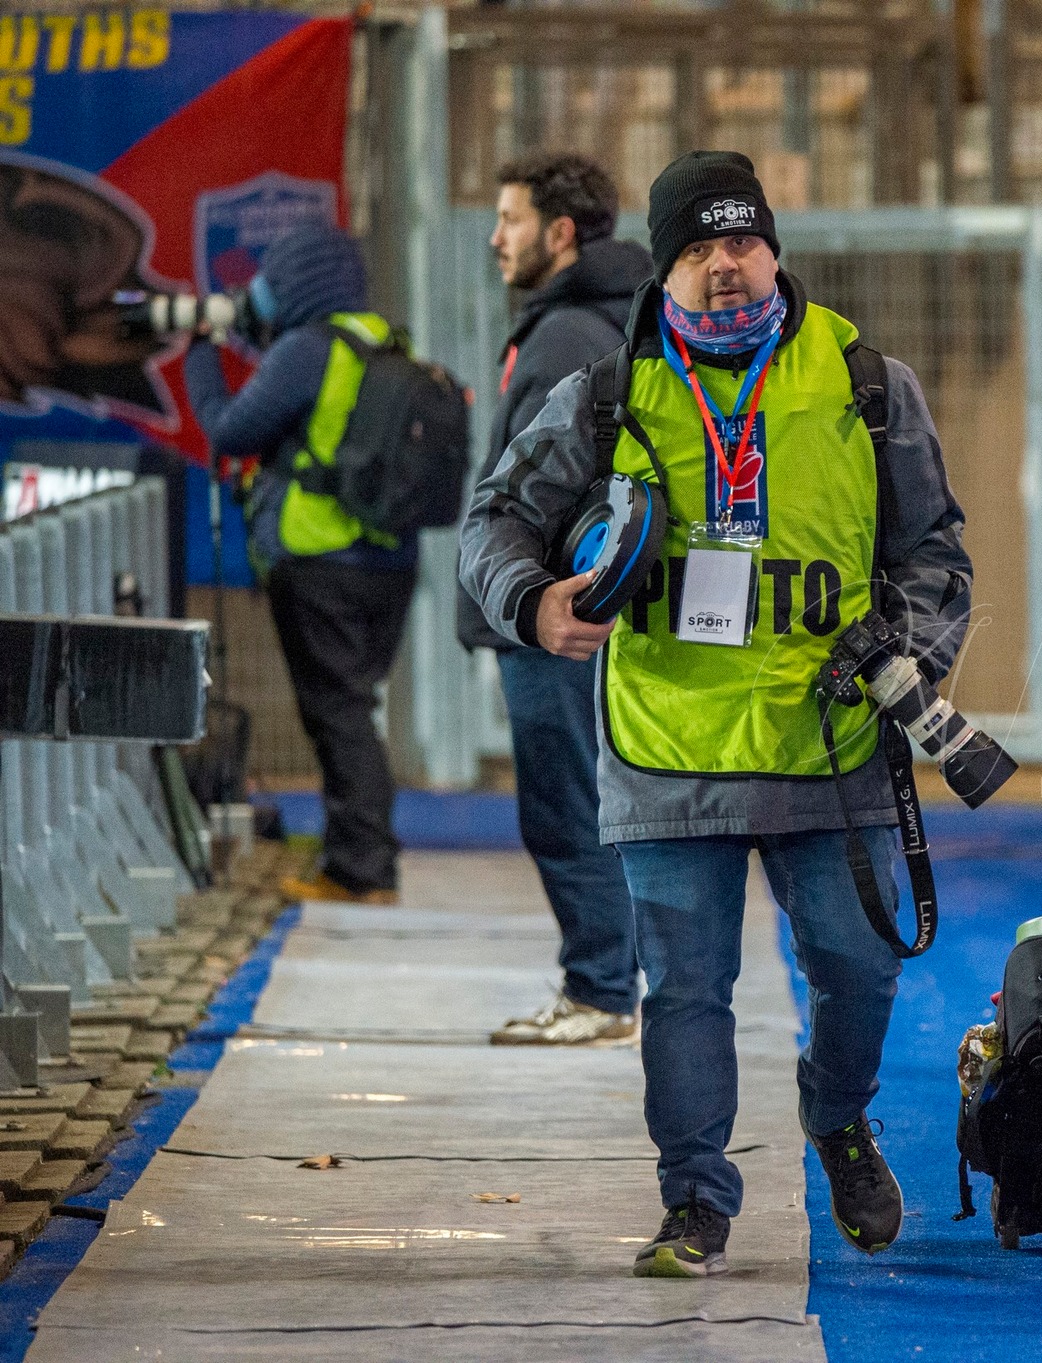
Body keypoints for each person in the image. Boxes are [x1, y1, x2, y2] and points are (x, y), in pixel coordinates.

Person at [460, 151, 973, 1278]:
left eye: (740, 241)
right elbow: (492, 524)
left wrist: (913, 652)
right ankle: (693, 1201)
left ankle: (835, 1116)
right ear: (663, 266)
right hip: (666, 743)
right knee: (683, 988)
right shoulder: (603, 392)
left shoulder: (864, 380)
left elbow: (934, 551)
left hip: (830, 741)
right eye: (696, 248)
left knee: (861, 970)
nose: (723, 266)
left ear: (773, 250)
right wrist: (531, 602)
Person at [456, 153, 652, 1047]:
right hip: (580, 613)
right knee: (589, 802)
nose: (497, 237)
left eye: (511, 219)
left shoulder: (564, 336)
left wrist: (522, 598)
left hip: (557, 618)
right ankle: (610, 980)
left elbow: (527, 500)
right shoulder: (598, 322)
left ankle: (601, 989)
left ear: (562, 233)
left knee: (567, 807)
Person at [185, 221, 417, 906]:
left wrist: (202, 349)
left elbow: (230, 429)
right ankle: (365, 853)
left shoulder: (307, 350)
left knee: (337, 713)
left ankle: (362, 868)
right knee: (352, 709)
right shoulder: (383, 342)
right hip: (389, 562)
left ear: (298, 284)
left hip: (318, 558)